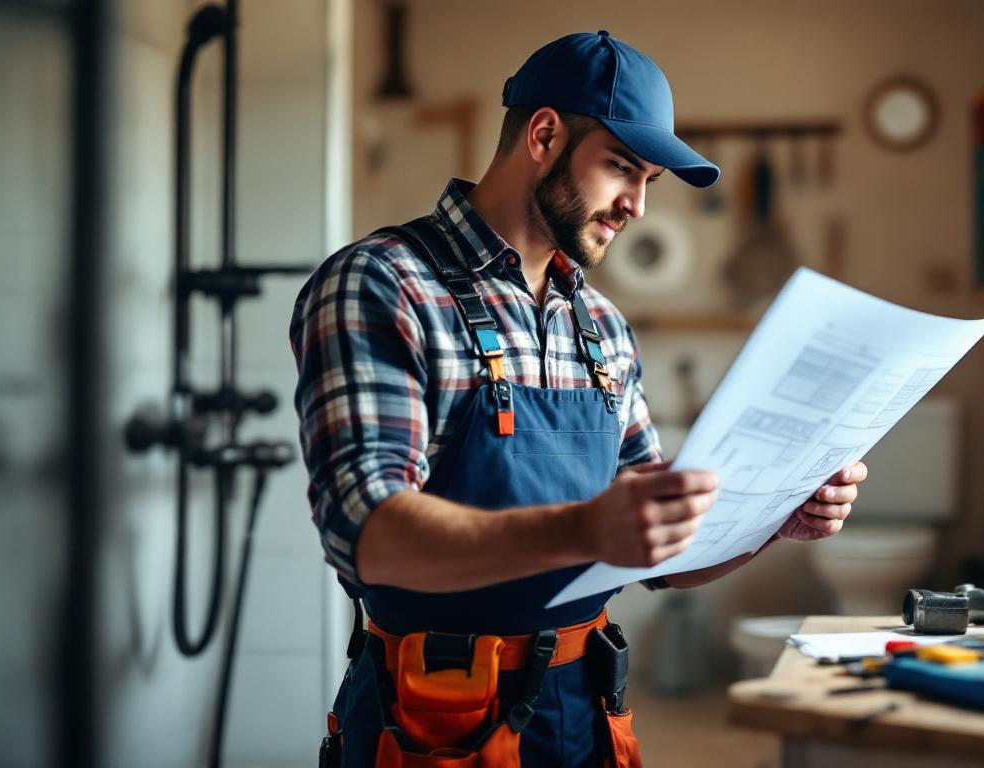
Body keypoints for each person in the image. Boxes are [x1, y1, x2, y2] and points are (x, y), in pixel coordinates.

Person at [291, 30, 868, 768]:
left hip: (585, 713)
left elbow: (654, 554)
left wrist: (777, 517)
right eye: (622, 168)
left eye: (649, 181)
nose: (636, 205)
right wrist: (586, 530)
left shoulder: (601, 325)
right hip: (434, 721)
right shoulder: (383, 283)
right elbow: (364, 530)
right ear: (543, 133)